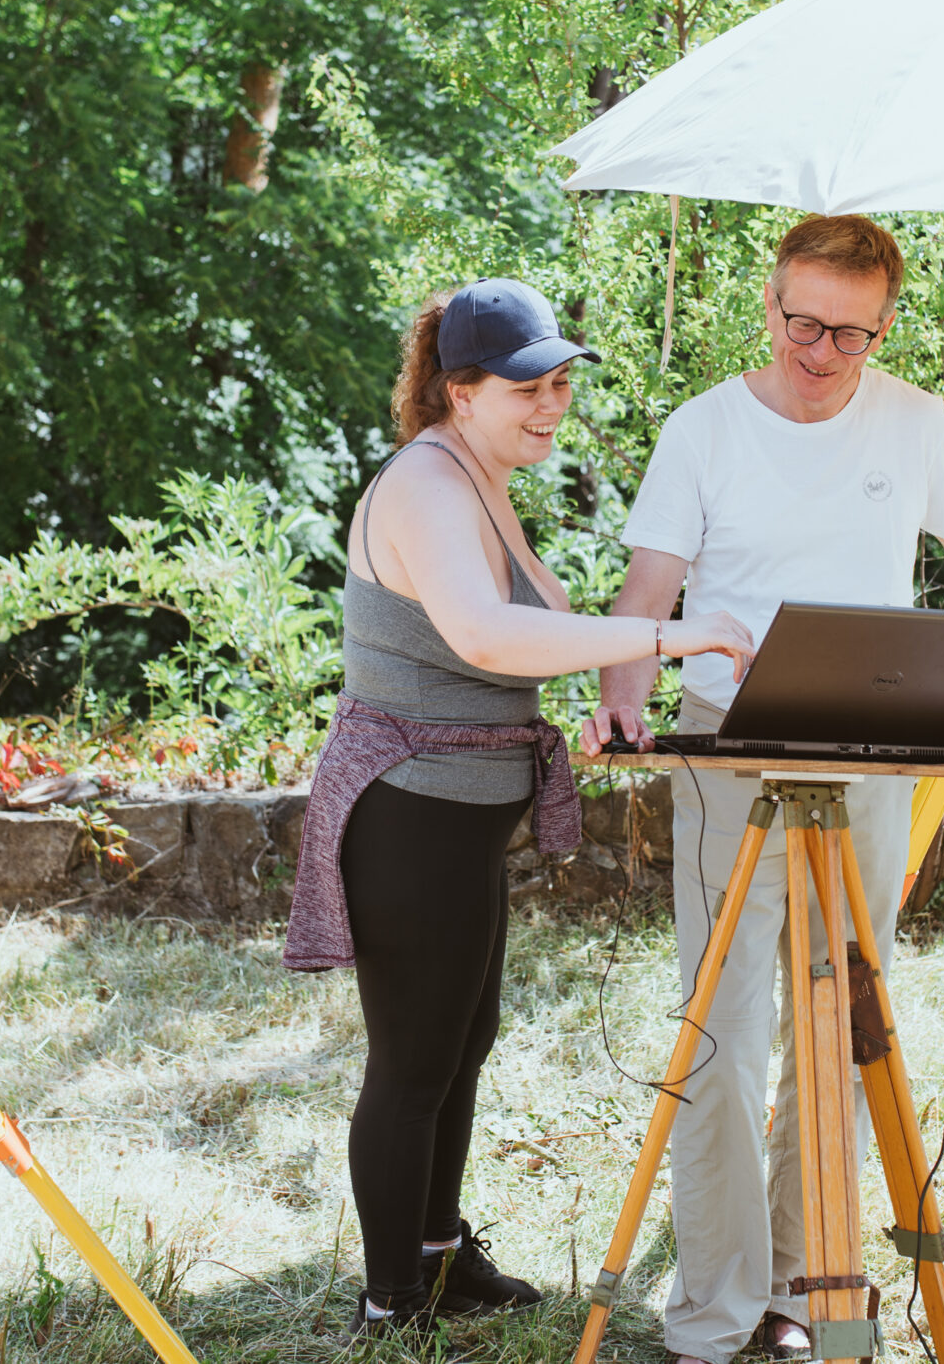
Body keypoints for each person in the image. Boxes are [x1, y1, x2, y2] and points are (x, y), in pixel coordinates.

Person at [284, 277, 758, 1341]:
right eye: (526, 387)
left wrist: (610, 703)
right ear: (457, 390)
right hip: (408, 807)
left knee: (465, 1035)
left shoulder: (477, 473)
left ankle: (439, 1257)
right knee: (412, 1060)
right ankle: (391, 1305)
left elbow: (537, 625)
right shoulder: (424, 485)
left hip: (461, 808)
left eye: (560, 386)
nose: (551, 405)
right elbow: (487, 640)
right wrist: (670, 638)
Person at [579, 215, 944, 1364]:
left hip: (868, 749)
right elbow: (648, 587)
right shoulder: (703, 429)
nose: (818, 350)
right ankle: (711, 1312)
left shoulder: (916, 422)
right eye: (800, 321)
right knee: (723, 1028)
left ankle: (804, 1288)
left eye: (847, 334)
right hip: (729, 743)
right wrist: (627, 693)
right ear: (768, 307)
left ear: (883, 326)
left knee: (838, 1021)